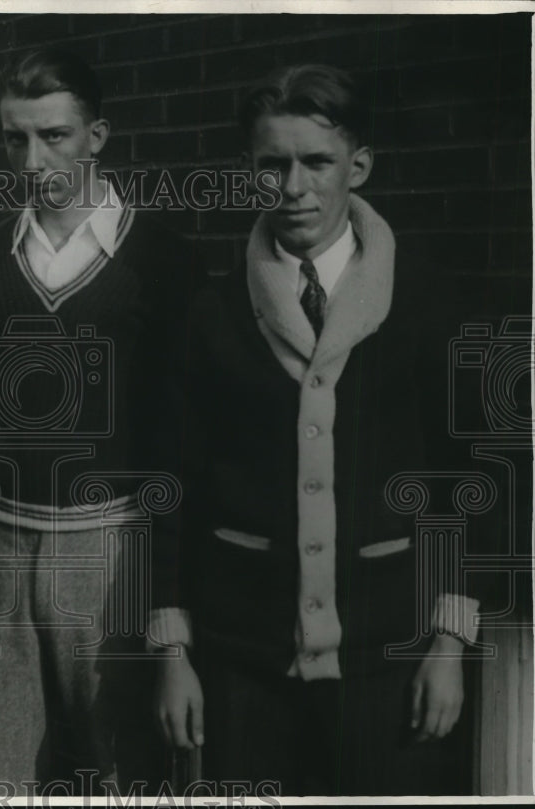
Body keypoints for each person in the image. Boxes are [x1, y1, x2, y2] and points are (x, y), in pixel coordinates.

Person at [153, 64, 480, 795]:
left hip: (392, 654)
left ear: (357, 166)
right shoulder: (212, 312)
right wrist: (173, 653)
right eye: (273, 164)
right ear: (249, 172)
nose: (293, 186)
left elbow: (465, 478)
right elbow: (174, 485)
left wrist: (450, 640)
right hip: (244, 660)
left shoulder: (425, 298)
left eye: (317, 162)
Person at [0, 49, 192, 792]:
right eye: (14, 138)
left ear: (97, 136)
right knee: (4, 763)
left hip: (109, 542)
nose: (33, 159)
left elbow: (179, 433)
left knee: (110, 760)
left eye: (54, 135)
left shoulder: (160, 256)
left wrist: (164, 592)